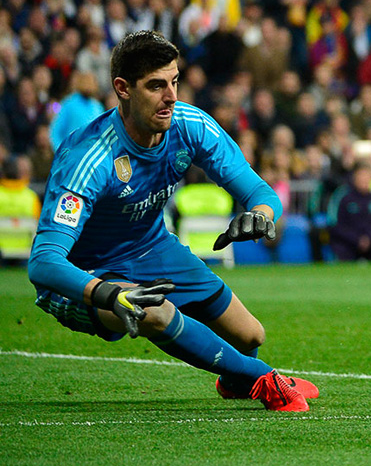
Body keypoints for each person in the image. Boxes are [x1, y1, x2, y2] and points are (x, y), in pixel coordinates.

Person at [27, 31, 316, 411]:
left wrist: (261, 215)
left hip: (152, 249)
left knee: (250, 336)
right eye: (156, 86)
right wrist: (108, 294)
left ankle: (236, 379)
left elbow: (261, 191)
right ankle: (263, 378)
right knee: (154, 311)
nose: (171, 97)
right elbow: (44, 262)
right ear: (123, 89)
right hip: (86, 273)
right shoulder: (89, 158)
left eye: (175, 81)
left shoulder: (189, 124)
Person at [327, 160, 371, 261]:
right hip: (349, 241)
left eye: (367, 176)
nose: (365, 179)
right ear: (355, 177)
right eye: (362, 176)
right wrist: (356, 239)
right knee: (340, 247)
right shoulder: (343, 196)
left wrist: (369, 239)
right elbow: (335, 224)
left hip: (370, 241)